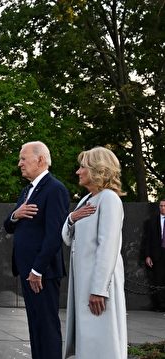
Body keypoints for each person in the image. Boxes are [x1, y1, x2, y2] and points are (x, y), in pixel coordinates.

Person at [4, 141, 69, 359]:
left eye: (23, 158)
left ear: (40, 159)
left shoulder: (55, 189)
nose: (19, 163)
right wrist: (16, 214)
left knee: (47, 325)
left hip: (42, 273)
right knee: (35, 324)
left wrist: (38, 270)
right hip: (27, 270)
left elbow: (54, 235)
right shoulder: (26, 191)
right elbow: (8, 225)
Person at [61, 146, 127, 359]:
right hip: (84, 283)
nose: (78, 172)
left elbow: (108, 246)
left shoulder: (109, 199)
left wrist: (99, 289)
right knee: (88, 339)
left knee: (101, 340)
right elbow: (67, 237)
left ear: (97, 169)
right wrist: (72, 218)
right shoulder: (87, 200)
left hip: (98, 286)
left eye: (82, 167)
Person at [143, 198, 165, 312]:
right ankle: (161, 305)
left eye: (164, 206)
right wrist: (147, 255)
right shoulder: (152, 221)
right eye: (161, 206)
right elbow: (148, 240)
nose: (162, 208)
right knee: (158, 280)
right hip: (157, 254)